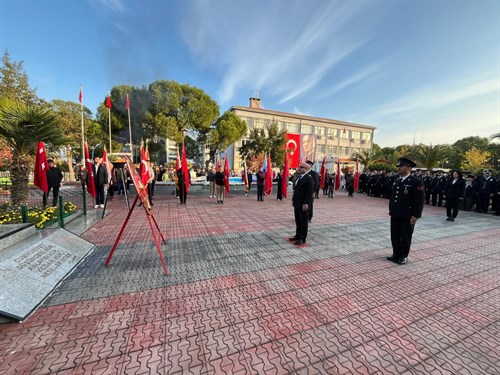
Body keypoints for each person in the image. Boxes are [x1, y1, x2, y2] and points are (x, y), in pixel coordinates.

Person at [387, 157, 425, 265]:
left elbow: (420, 200)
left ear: (409, 168)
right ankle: (396, 254)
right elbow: (393, 197)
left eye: (401, 166)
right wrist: (391, 210)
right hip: (395, 213)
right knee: (394, 235)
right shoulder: (397, 180)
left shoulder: (416, 182)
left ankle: (404, 256)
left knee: (405, 236)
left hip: (407, 215)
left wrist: (416, 215)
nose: (398, 168)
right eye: (398, 166)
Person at [289, 162, 314, 245]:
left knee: (303, 221)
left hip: (303, 204)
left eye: (301, 167)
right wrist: (293, 199)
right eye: (299, 167)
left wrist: (306, 203)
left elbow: (309, 193)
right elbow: (296, 190)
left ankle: (303, 238)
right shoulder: (298, 177)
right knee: (298, 220)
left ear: (305, 169)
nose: (298, 168)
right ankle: (298, 235)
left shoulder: (308, 179)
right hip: (297, 202)